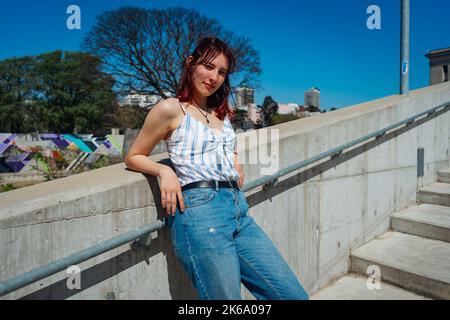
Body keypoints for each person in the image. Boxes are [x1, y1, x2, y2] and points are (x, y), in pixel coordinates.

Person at [125, 37, 308, 300]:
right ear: (190, 64)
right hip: (200, 213)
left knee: (292, 295)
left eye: (221, 72)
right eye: (208, 67)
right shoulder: (171, 109)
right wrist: (164, 171)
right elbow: (133, 156)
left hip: (238, 210)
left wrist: (234, 158)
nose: (214, 77)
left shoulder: (222, 113)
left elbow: (224, 146)